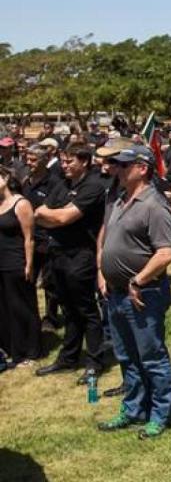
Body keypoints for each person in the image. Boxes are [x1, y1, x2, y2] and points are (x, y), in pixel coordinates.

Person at [95, 145, 171, 440]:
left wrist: (138, 281)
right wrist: (102, 272)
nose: (116, 168)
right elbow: (106, 237)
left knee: (151, 356)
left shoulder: (155, 204)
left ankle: (159, 413)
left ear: (142, 168)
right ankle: (133, 409)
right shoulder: (117, 199)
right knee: (127, 356)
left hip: (144, 294)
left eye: (123, 164)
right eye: (115, 164)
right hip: (115, 292)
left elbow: (166, 252)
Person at [34, 143, 108, 385]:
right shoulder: (61, 184)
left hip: (81, 255)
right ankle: (68, 358)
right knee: (68, 309)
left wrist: (56, 216)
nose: (64, 166)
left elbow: (65, 217)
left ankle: (95, 361)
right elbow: (39, 213)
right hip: (58, 254)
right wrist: (56, 217)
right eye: (63, 161)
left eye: (69, 162)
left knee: (86, 310)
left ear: (84, 161)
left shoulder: (93, 187)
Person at [0, 165, 38, 366]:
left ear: (5, 178)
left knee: (21, 307)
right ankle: (10, 348)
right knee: (4, 308)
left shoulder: (21, 203)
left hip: (17, 262)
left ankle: (29, 350)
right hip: (1, 263)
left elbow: (29, 237)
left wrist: (29, 264)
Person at [23, 144, 63, 332]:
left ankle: (51, 317)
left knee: (50, 282)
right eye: (28, 159)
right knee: (27, 278)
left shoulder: (55, 183)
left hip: (47, 239)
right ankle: (30, 317)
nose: (29, 163)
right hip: (28, 240)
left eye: (33, 160)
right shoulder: (26, 181)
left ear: (44, 160)